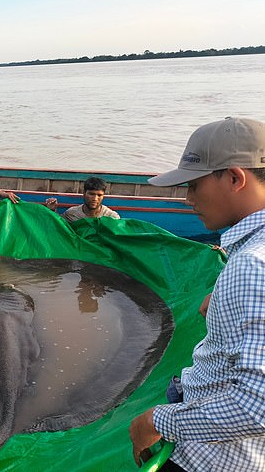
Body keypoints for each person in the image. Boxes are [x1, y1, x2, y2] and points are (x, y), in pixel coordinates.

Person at [129, 117, 265, 471]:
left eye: (194, 185)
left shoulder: (252, 265)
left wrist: (156, 421)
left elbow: (256, 406)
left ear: (235, 178)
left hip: (212, 458)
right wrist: (220, 298)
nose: (188, 199)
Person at [44, 177, 120, 221]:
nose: (95, 199)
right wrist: (52, 211)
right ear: (84, 193)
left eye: (99, 195)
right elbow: (59, 226)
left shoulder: (111, 217)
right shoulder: (72, 214)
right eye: (91, 194)